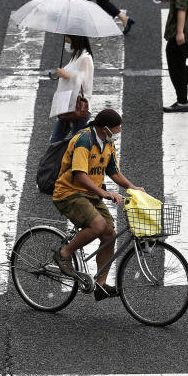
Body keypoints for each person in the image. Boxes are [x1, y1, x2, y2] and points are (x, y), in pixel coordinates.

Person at [52, 109, 143, 301]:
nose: (118, 131)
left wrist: (132, 188)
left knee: (109, 233)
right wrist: (104, 193)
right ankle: (64, 253)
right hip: (69, 193)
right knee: (98, 226)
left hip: (89, 195)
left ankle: (100, 285)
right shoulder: (84, 141)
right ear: (105, 128)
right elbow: (79, 175)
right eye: (116, 128)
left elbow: (113, 172)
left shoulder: (108, 143)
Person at [49, 35, 94, 144]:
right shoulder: (76, 57)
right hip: (68, 106)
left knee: (78, 144)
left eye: (68, 39)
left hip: (78, 107)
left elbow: (85, 83)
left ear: (75, 40)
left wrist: (66, 75)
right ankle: (56, 161)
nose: (66, 42)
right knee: (55, 141)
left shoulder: (85, 58)